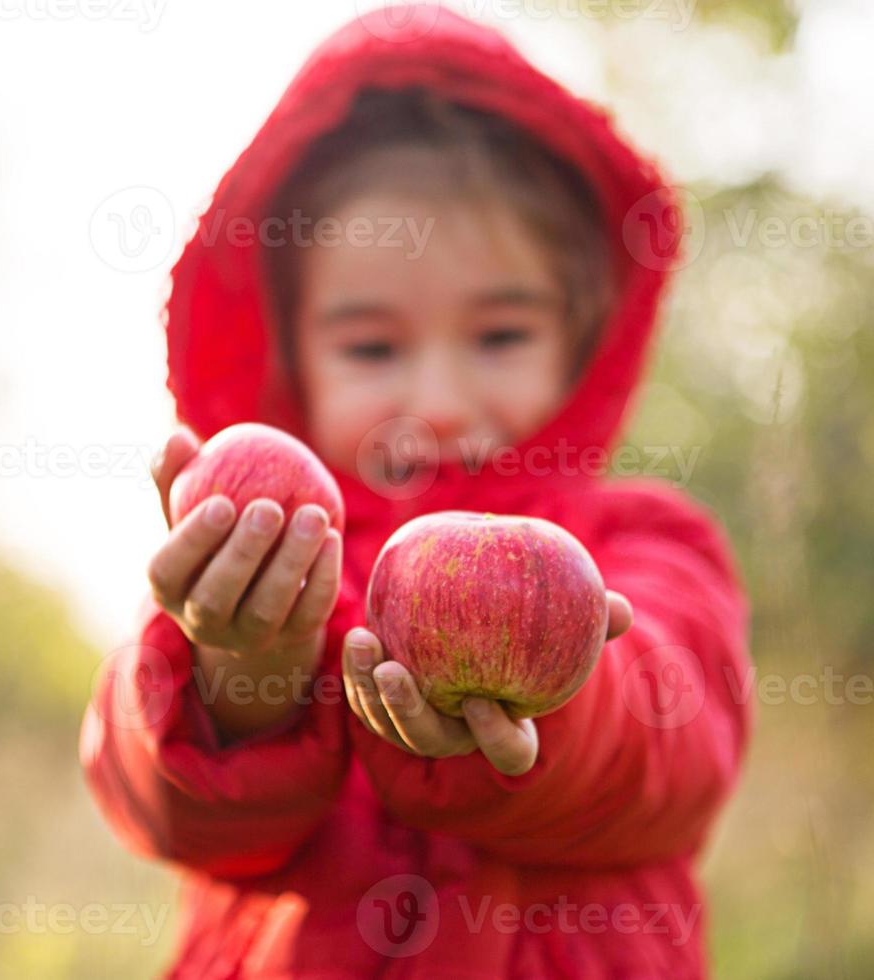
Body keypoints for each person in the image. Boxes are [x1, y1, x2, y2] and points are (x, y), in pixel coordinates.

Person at [80, 7, 751, 976]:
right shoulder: (260, 554)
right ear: (291, 357)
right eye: (373, 347)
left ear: (581, 335)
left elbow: (680, 758)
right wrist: (248, 670)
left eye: (500, 336)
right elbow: (167, 812)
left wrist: (547, 690)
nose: (435, 403)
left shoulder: (644, 542)